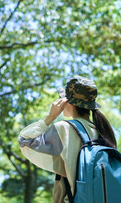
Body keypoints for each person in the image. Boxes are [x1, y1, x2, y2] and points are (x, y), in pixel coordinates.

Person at [18, 75, 117, 203]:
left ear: (68, 102)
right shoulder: (103, 132)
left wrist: (49, 117)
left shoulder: (64, 129)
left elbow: (24, 141)